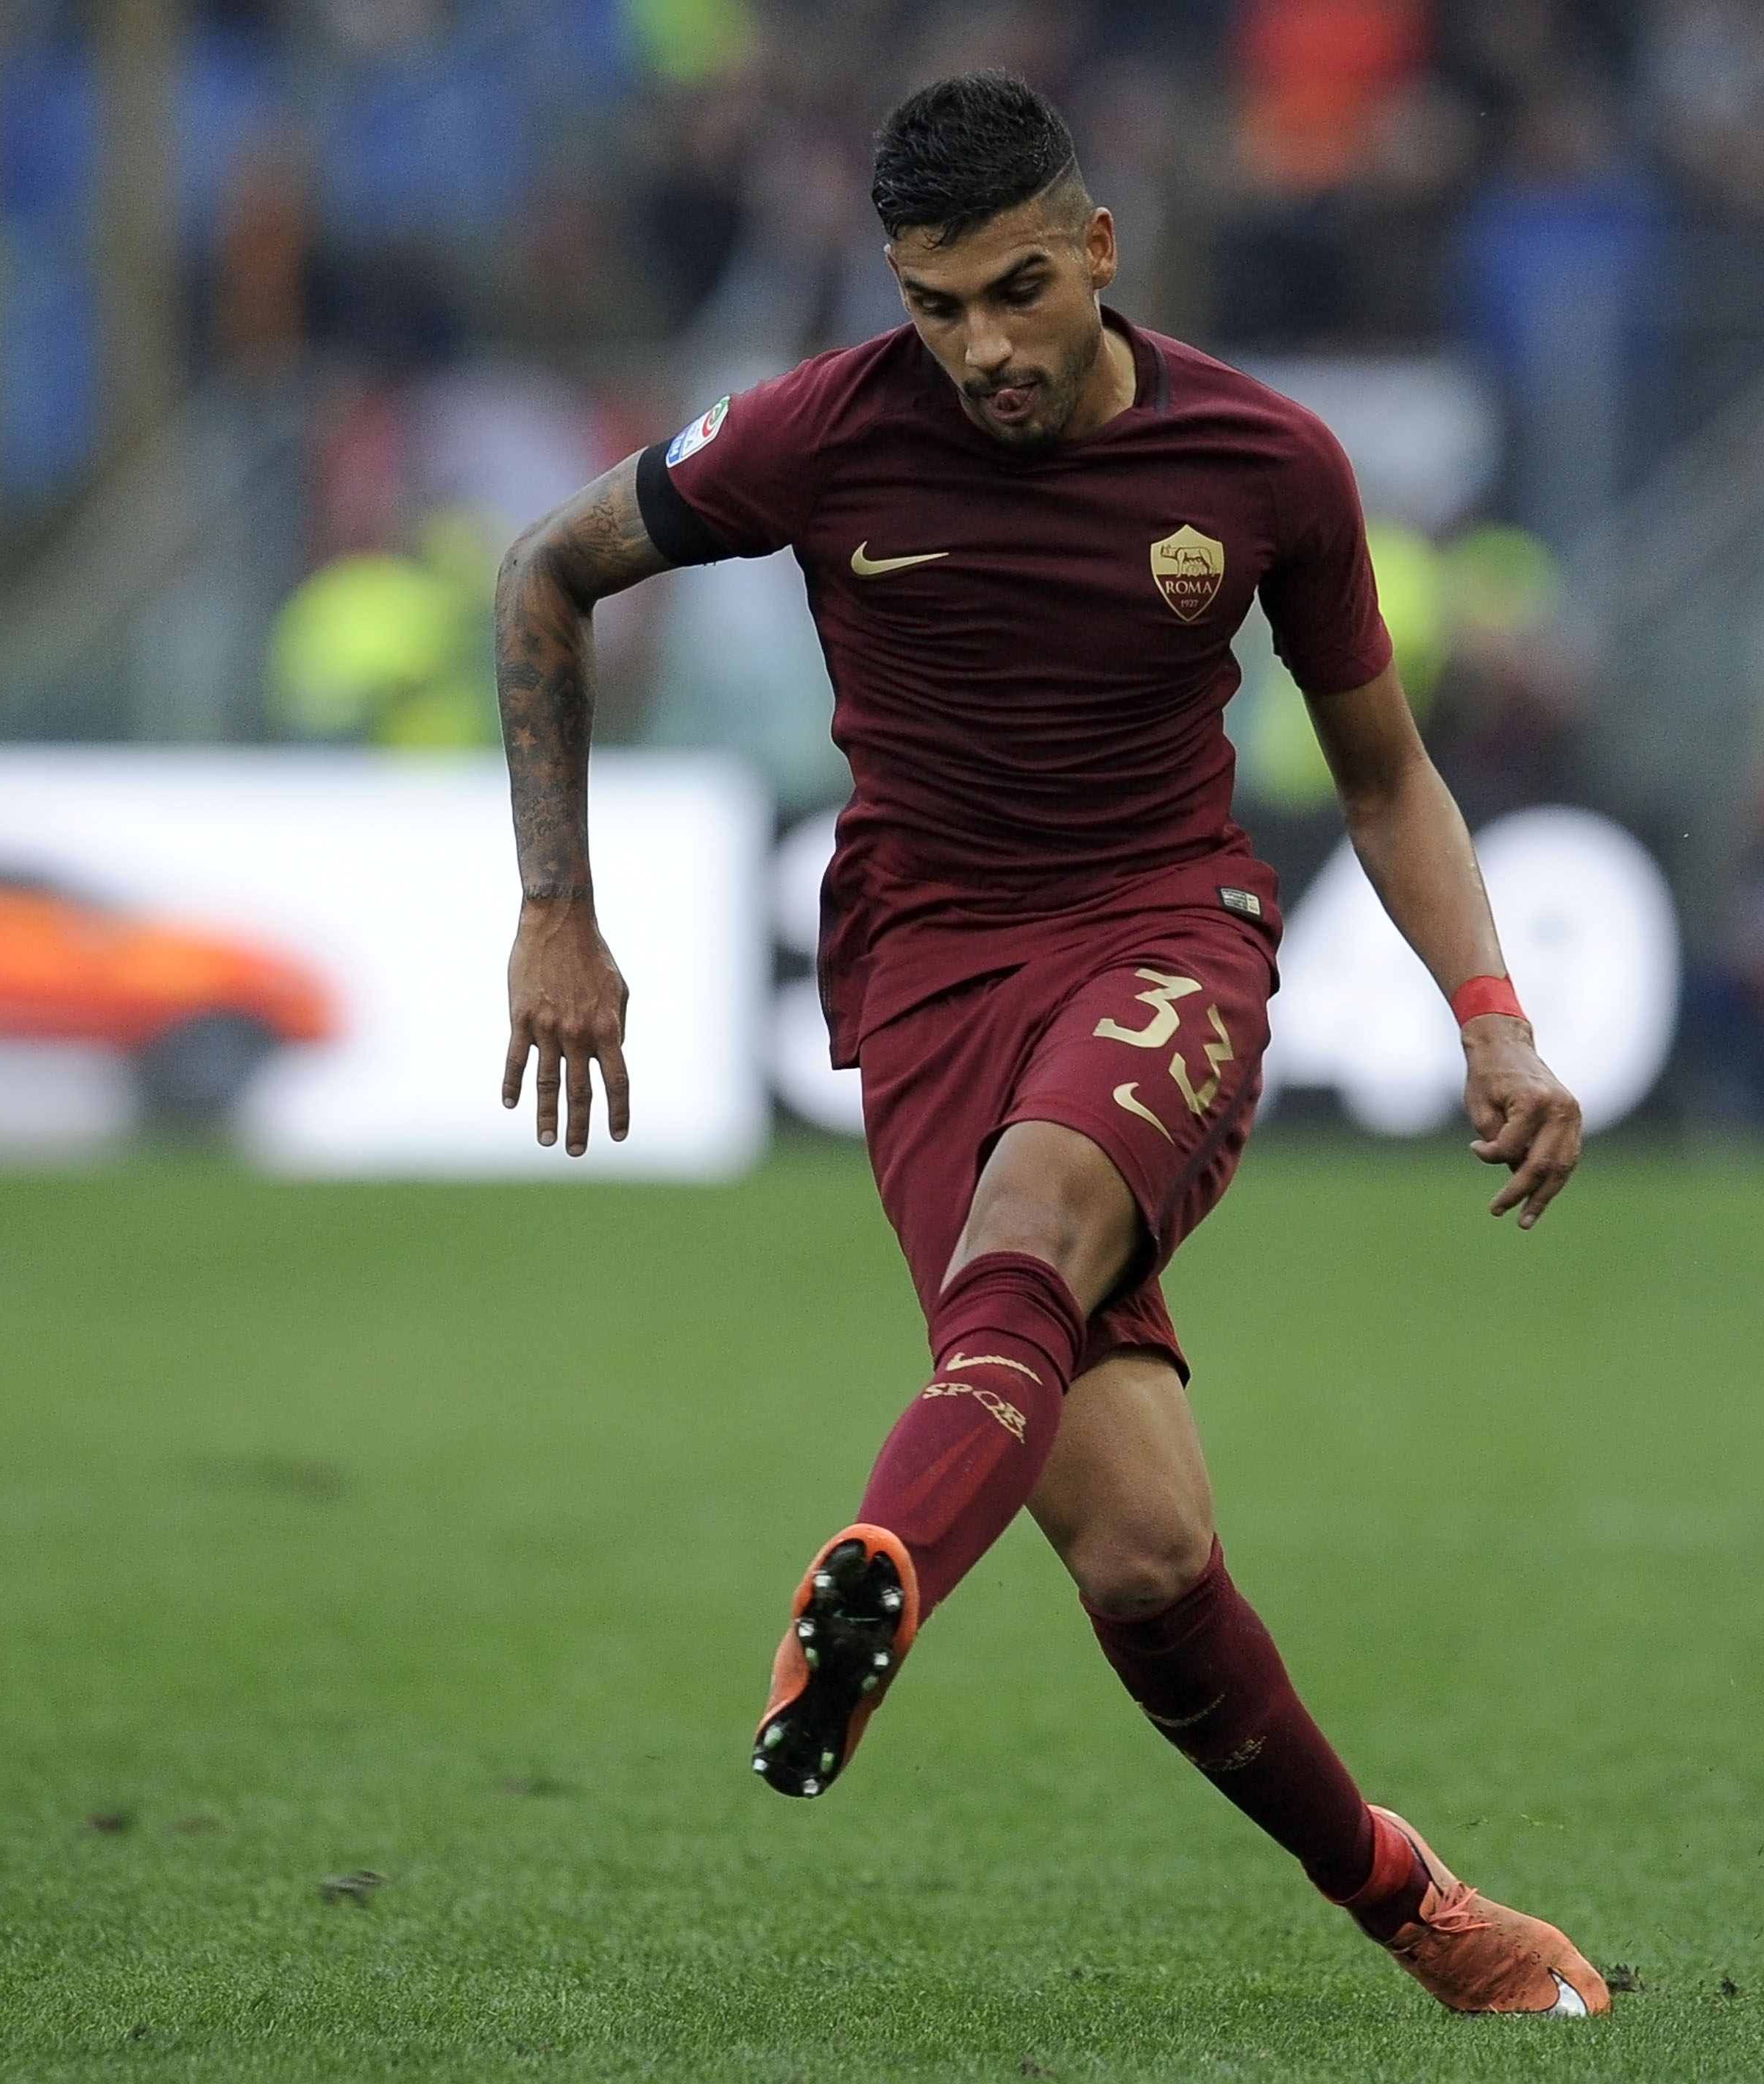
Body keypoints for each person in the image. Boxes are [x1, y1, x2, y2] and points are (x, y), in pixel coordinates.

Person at [492, 72, 1604, 2017]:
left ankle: (873, 1587)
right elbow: (544, 575)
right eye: (936, 306)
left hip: (1165, 936)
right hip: (922, 977)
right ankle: (1425, 1913)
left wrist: (1492, 1019)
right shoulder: (813, 433)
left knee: (1040, 1216)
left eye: (1017, 290)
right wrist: (557, 914)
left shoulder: (1265, 462)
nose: (982, 348)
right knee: (1144, 1560)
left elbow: (1386, 770)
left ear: (1099, 247)